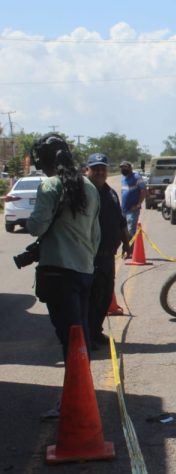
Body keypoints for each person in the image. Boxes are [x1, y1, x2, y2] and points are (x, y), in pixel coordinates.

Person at [26, 135, 100, 360]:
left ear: (41, 162)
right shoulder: (89, 187)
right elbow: (96, 236)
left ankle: (78, 393)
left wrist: (29, 222)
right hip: (85, 270)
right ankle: (82, 390)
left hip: (58, 273)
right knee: (80, 331)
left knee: (69, 336)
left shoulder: (50, 185)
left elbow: (37, 227)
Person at [86, 153, 130, 351]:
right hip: (90, 257)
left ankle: (96, 331)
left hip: (108, 257)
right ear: (87, 170)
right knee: (91, 299)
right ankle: (87, 336)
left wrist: (127, 243)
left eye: (102, 168)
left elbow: (120, 220)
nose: (99, 172)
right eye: (95, 168)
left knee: (104, 299)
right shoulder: (84, 193)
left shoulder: (110, 192)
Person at [120, 160, 146, 257]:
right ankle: (126, 249)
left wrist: (138, 204)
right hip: (123, 209)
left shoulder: (136, 177)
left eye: (125, 167)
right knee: (123, 231)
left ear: (130, 167)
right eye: (122, 168)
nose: (123, 169)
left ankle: (130, 252)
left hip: (133, 209)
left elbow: (143, 190)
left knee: (131, 231)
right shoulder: (123, 178)